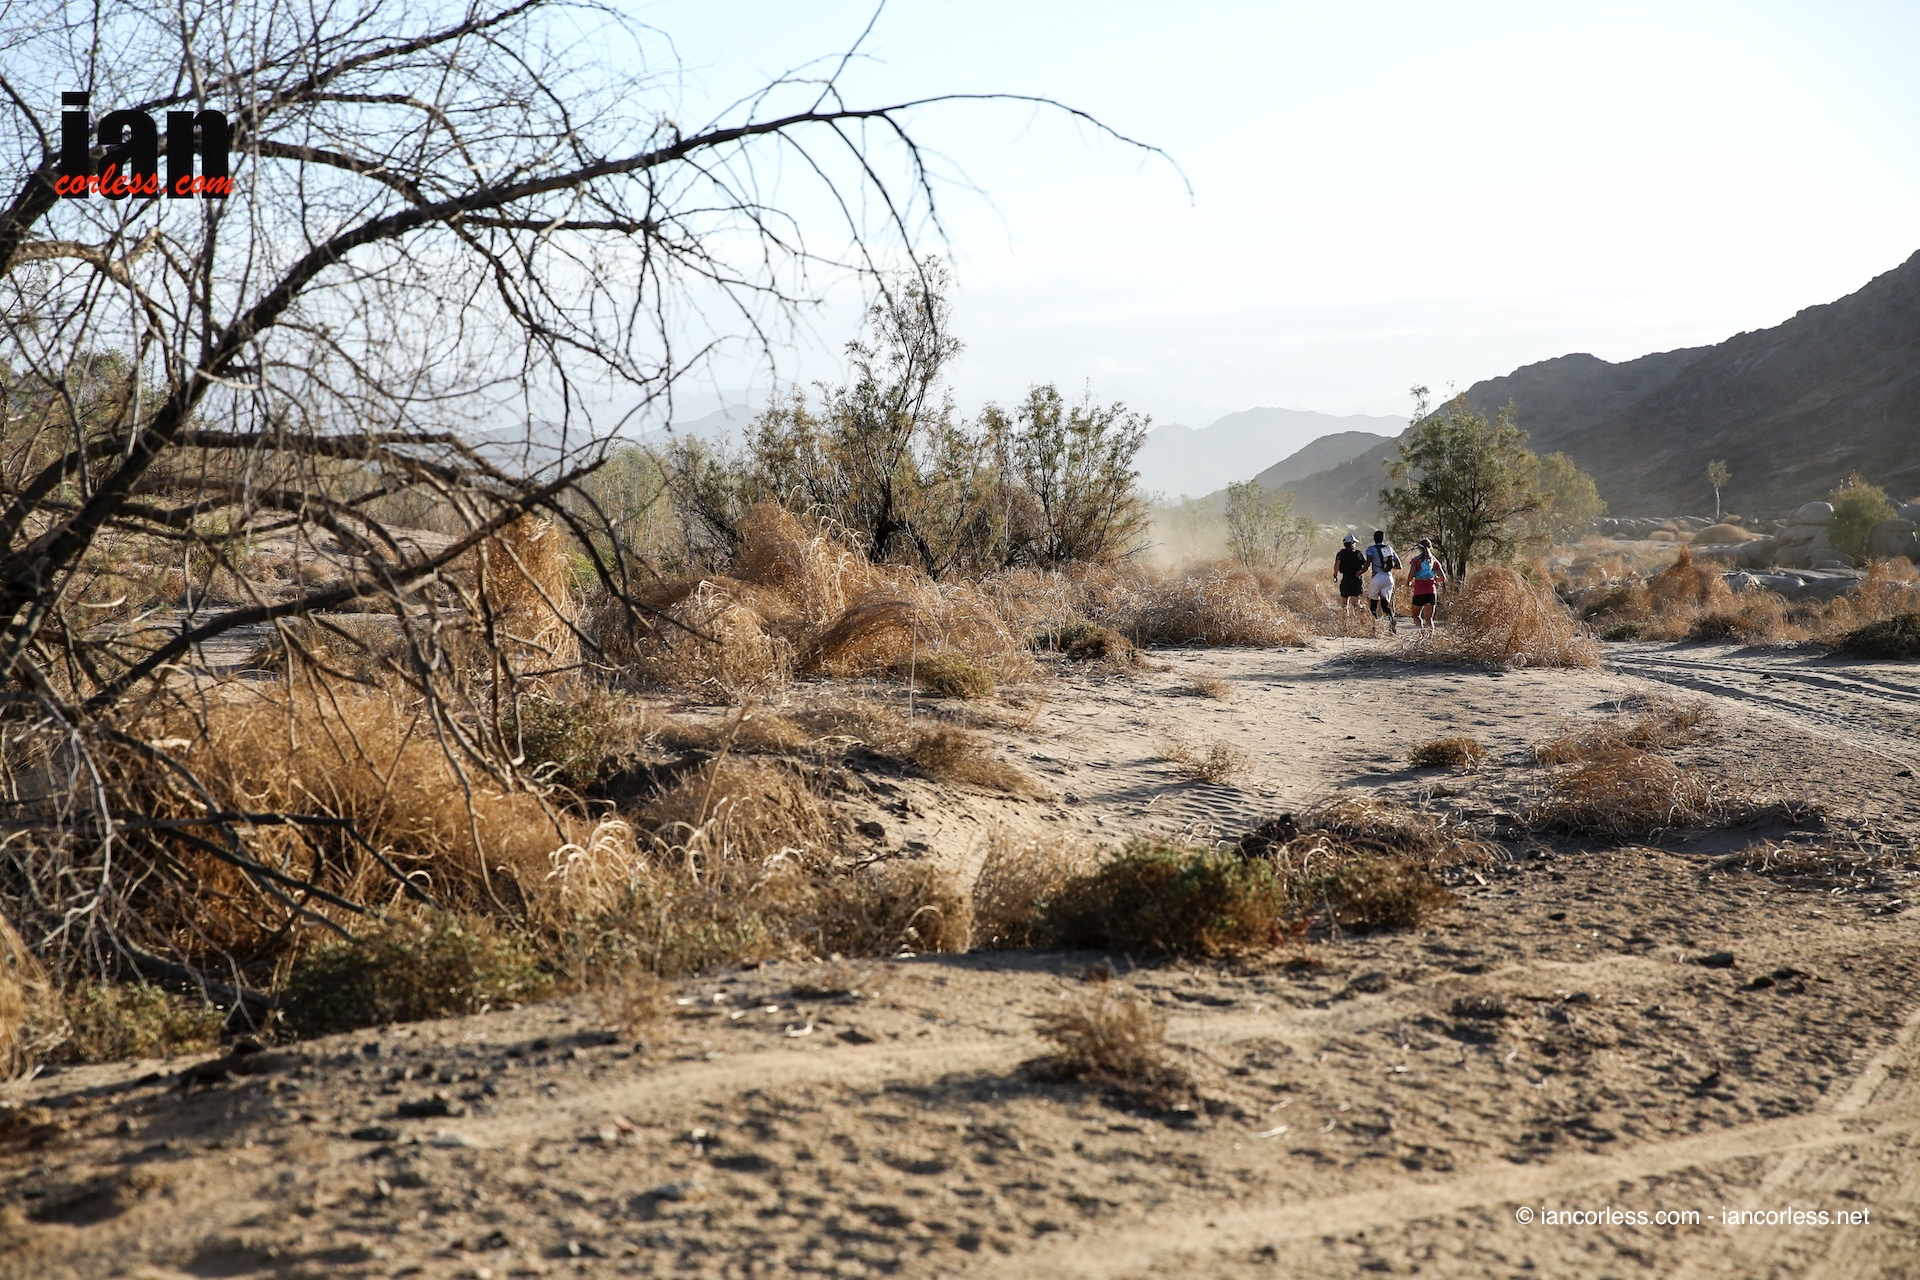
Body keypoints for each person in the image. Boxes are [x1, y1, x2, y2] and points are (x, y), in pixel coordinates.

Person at [1363, 529, 1400, 633]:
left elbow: (1367, 563)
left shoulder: (1371, 549)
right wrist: (1387, 567)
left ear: (1374, 539)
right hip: (1388, 578)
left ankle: (1374, 628)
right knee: (1385, 605)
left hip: (1377, 577)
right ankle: (1392, 623)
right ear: (1383, 538)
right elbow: (1399, 566)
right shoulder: (1389, 549)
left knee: (1373, 605)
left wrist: (1361, 572)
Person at [1407, 537, 1446, 631]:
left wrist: (1408, 582)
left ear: (1419, 548)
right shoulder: (1434, 561)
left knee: (1416, 615)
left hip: (1419, 592)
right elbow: (1443, 577)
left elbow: (1411, 574)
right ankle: (1430, 637)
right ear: (1430, 547)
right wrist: (1436, 579)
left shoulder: (1415, 561)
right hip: (1431, 591)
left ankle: (1421, 633)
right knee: (1429, 619)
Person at [1332, 533, 1369, 631]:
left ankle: (1345, 626)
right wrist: (1360, 572)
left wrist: (1335, 574)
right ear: (1352, 543)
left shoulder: (1341, 553)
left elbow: (1337, 564)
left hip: (1346, 579)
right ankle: (1363, 622)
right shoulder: (1358, 553)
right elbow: (1366, 564)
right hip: (1357, 580)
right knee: (1356, 603)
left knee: (1344, 604)